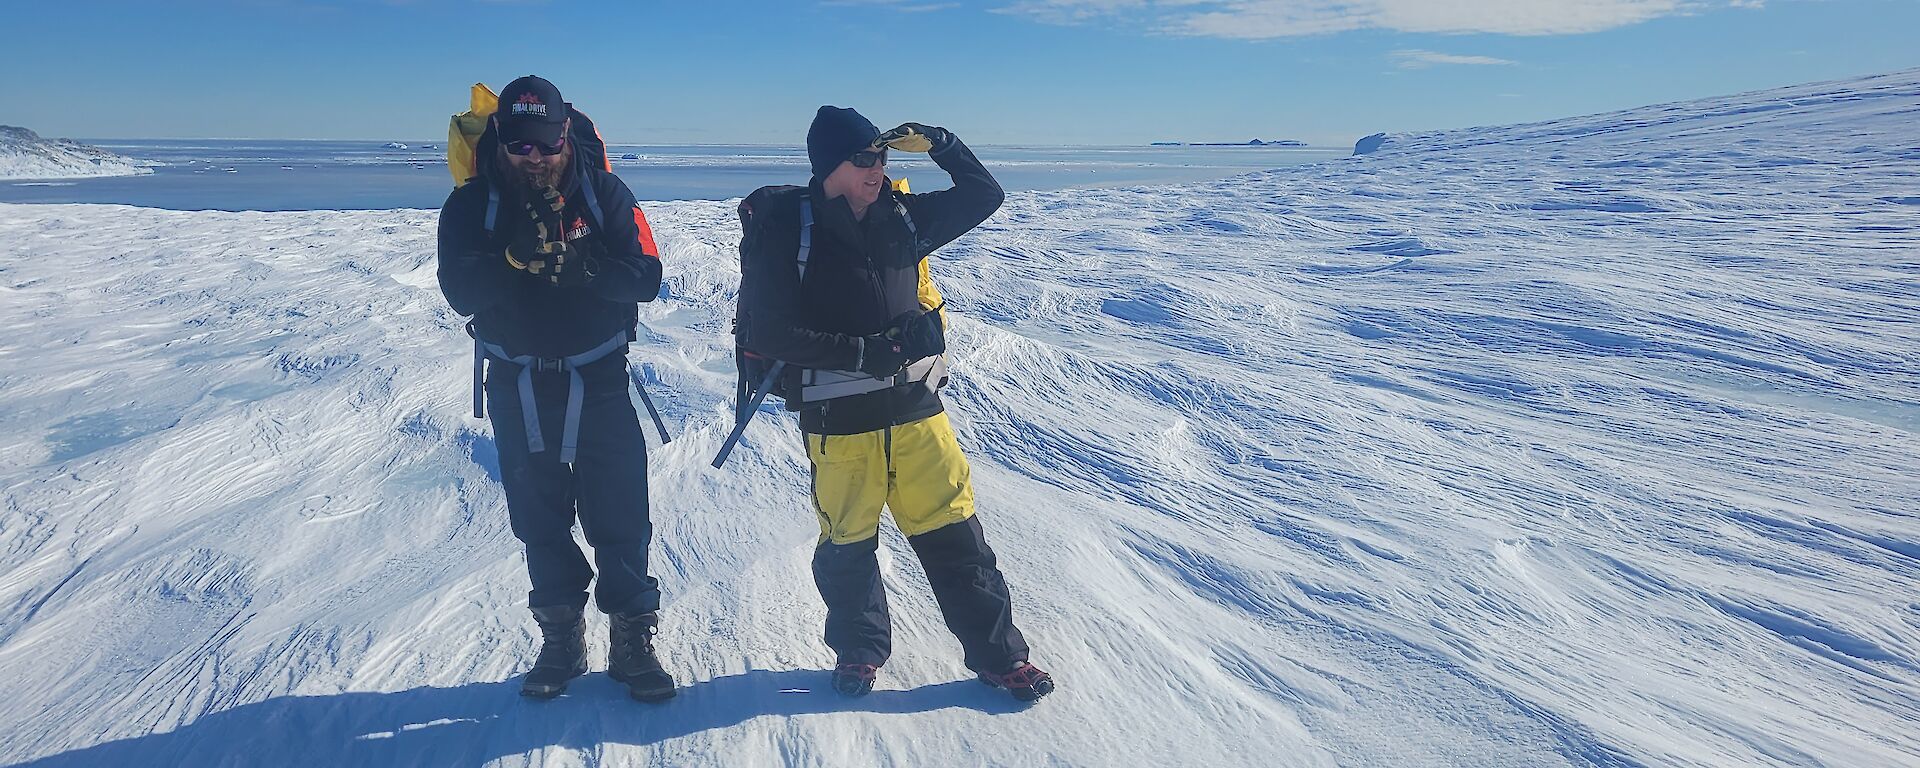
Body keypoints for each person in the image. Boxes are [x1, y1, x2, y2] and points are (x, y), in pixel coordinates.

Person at [735, 106, 1055, 702]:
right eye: (863, 158)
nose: (876, 169)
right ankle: (859, 652)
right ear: (829, 164)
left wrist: (941, 143)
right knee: (848, 546)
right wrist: (866, 353)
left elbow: (986, 195)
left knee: (958, 539)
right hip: (838, 420)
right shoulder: (789, 230)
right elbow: (771, 334)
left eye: (881, 157)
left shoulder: (903, 217)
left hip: (916, 412)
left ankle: (1001, 658)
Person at [436, 75, 673, 701]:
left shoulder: (605, 194)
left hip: (598, 377)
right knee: (539, 519)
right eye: (520, 147)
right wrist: (511, 261)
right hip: (517, 382)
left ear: (566, 137)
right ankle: (561, 638)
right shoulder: (472, 205)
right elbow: (460, 292)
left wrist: (588, 268)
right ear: (501, 144)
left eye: (545, 146)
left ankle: (632, 639)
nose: (534, 159)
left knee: (620, 513)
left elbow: (647, 276)